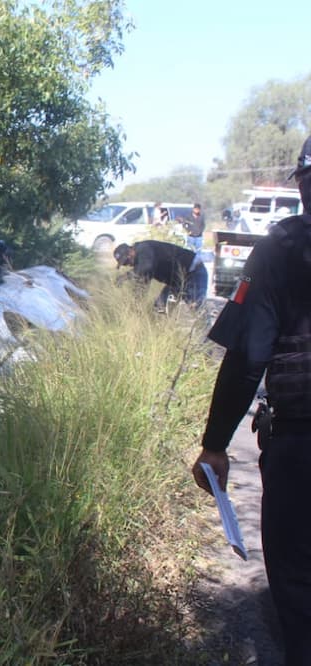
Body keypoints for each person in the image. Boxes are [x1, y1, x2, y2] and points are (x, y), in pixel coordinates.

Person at [191, 135, 311, 664]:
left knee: (298, 582)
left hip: (301, 446)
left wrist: (216, 445)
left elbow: (248, 357)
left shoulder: (281, 248)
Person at [113, 239, 208, 311]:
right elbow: (142, 284)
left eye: (127, 261)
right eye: (125, 264)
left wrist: (125, 277)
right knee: (160, 308)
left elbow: (146, 266)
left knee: (196, 307)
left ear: (131, 251)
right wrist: (135, 305)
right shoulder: (142, 261)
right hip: (176, 282)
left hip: (193, 272)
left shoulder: (144, 249)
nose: (128, 265)